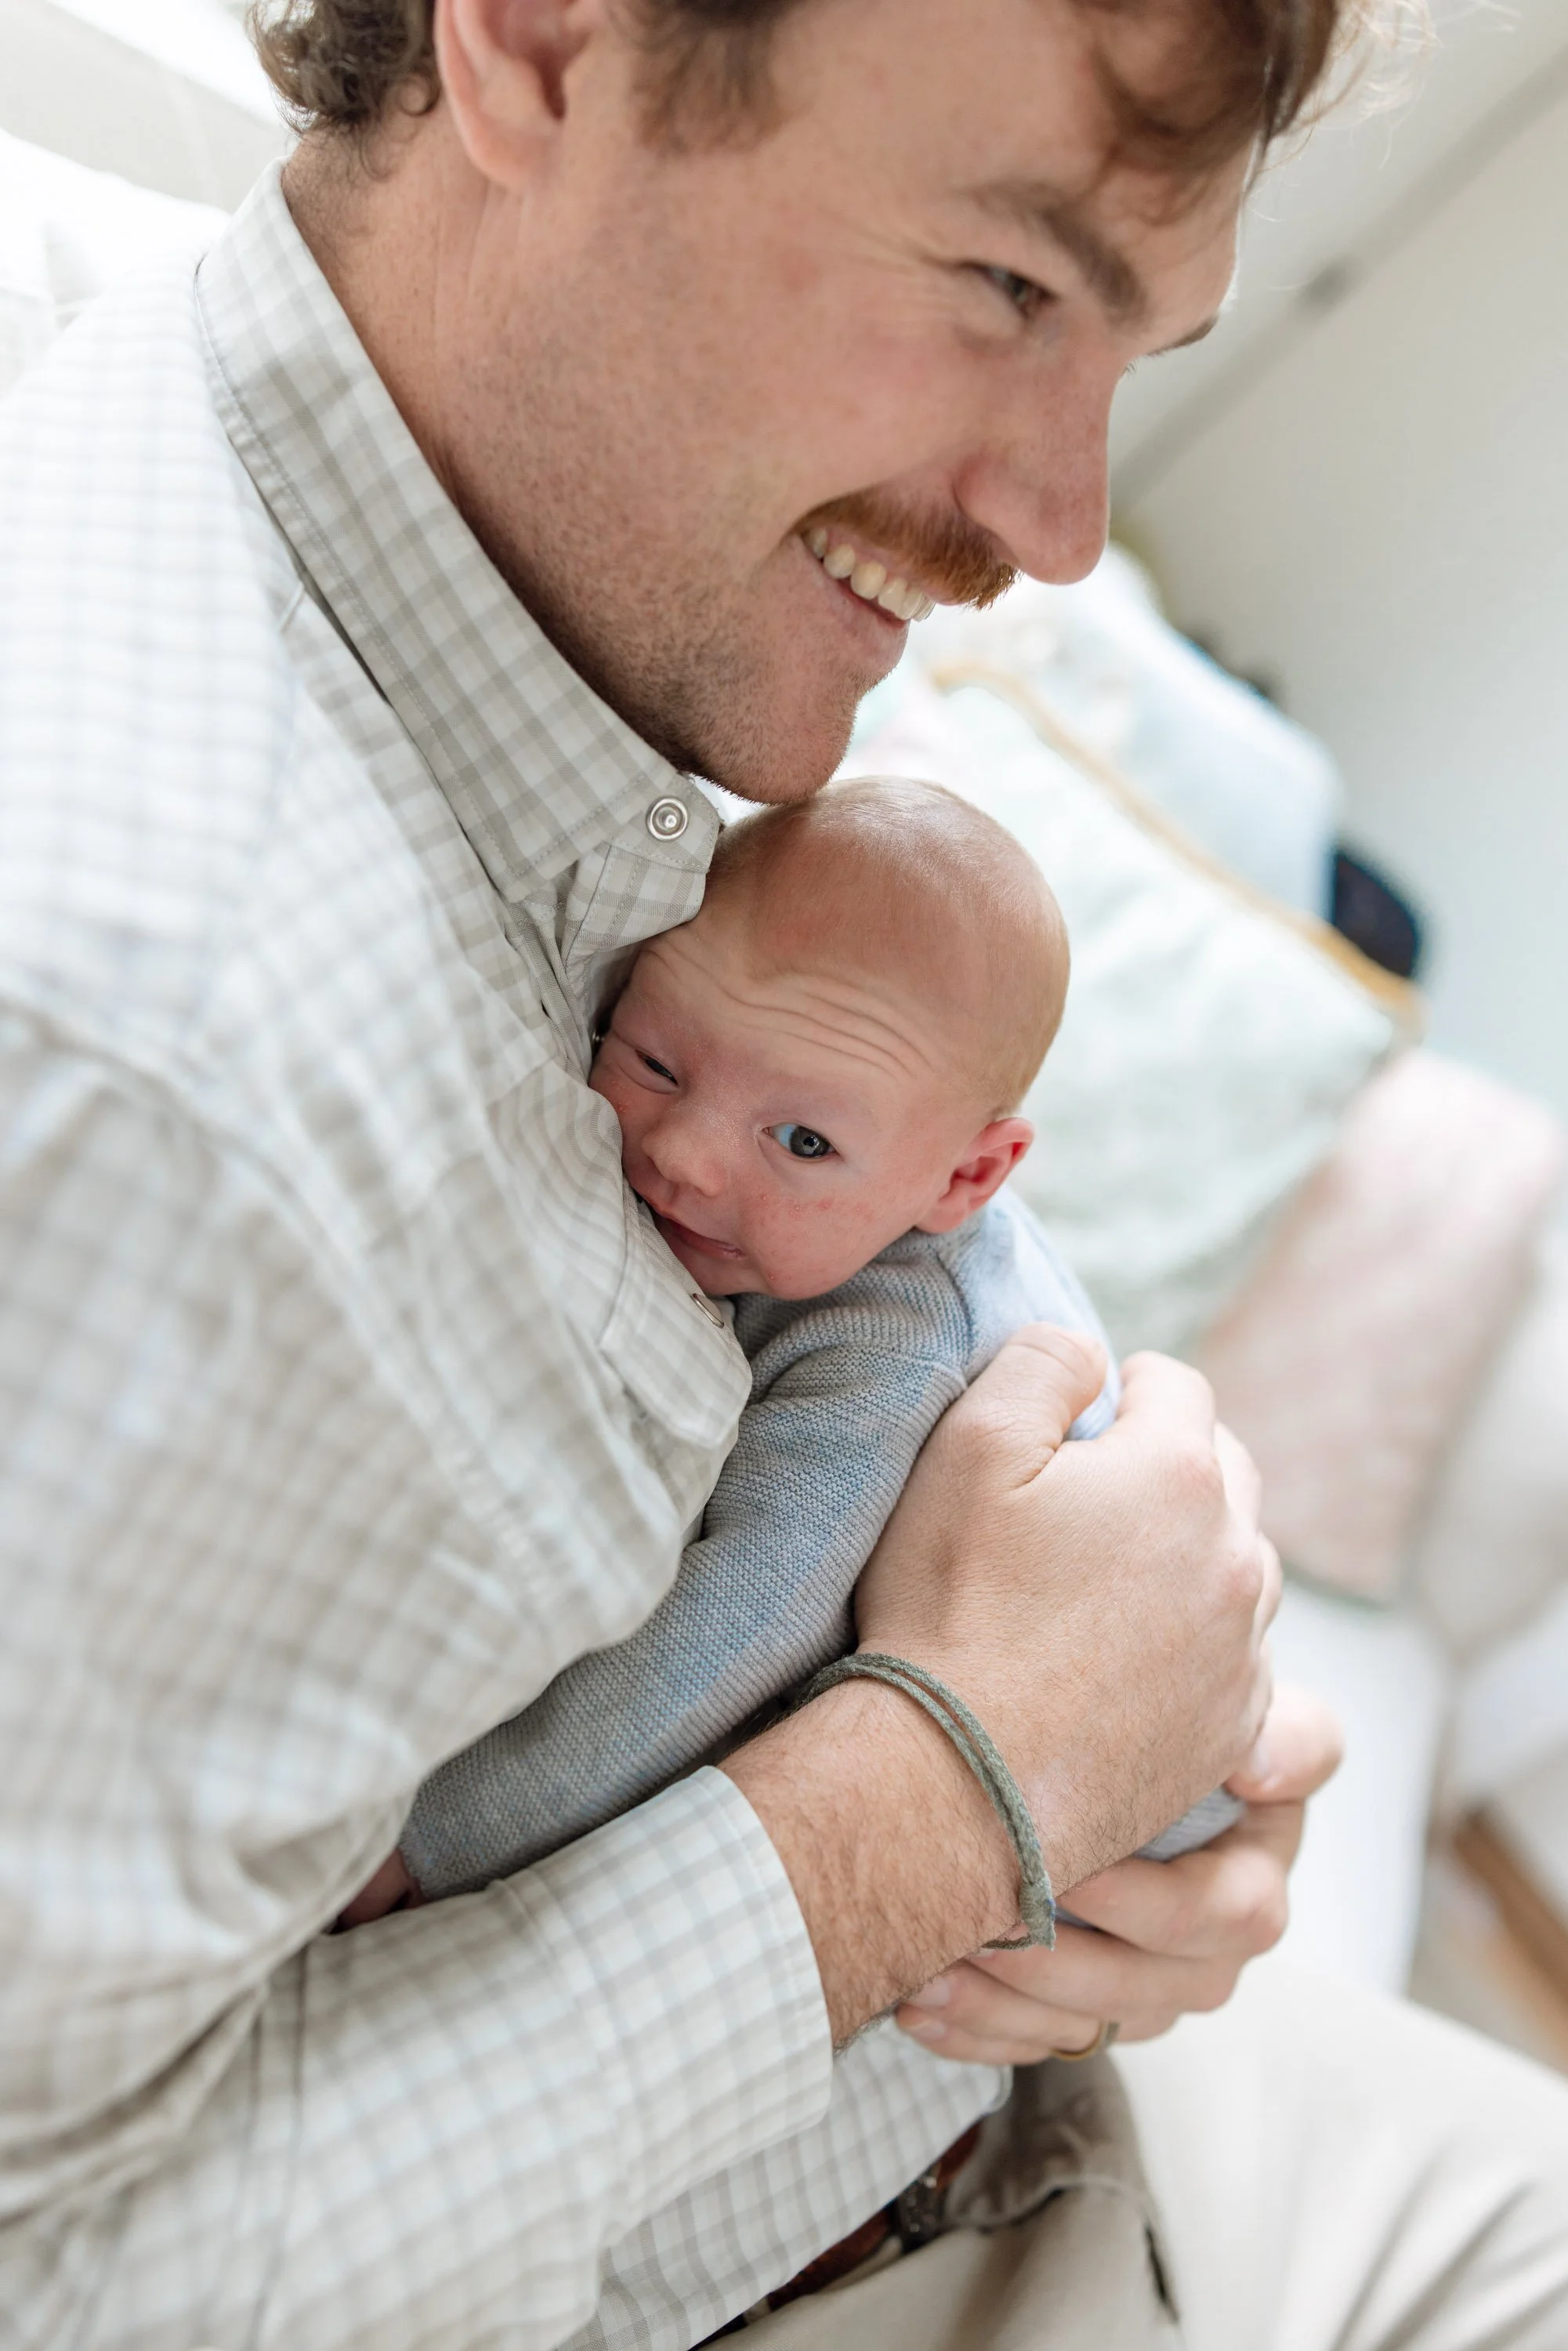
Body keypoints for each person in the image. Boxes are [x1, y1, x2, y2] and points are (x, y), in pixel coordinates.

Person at [1, 1, 1566, 2346]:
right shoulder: (170, 1075)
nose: (1060, 527)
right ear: (539, 40)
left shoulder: (524, 550)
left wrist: (1144, 1688)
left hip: (1049, 2062)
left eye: (1127, 342)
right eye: (1012, 290)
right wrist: (964, 1792)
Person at [378, 775, 1240, 1913]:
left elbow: (723, 1639)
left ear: (966, 1178)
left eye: (801, 1140)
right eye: (656, 1061)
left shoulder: (896, 1344)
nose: (684, 1155)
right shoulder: (831, 1176)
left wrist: (439, 1839)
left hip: (1116, 1815)